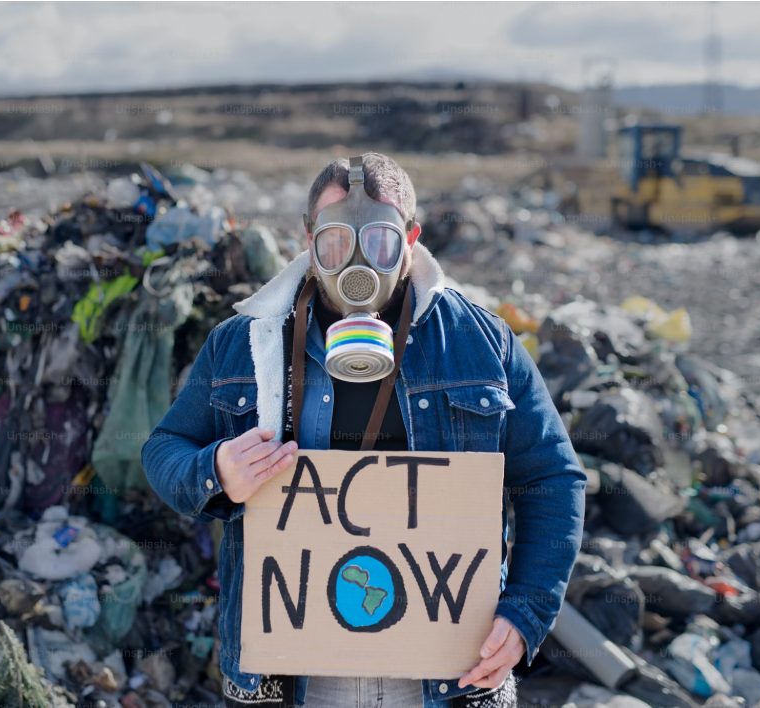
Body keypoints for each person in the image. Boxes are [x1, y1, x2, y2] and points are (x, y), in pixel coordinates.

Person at [143, 152, 586, 707]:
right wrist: (216, 473)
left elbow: (551, 477)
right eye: (335, 242)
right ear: (308, 240)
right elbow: (164, 450)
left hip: (447, 672)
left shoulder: (479, 343)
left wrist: (525, 612)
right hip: (295, 675)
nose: (356, 264)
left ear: (412, 239)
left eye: (379, 241)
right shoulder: (243, 344)